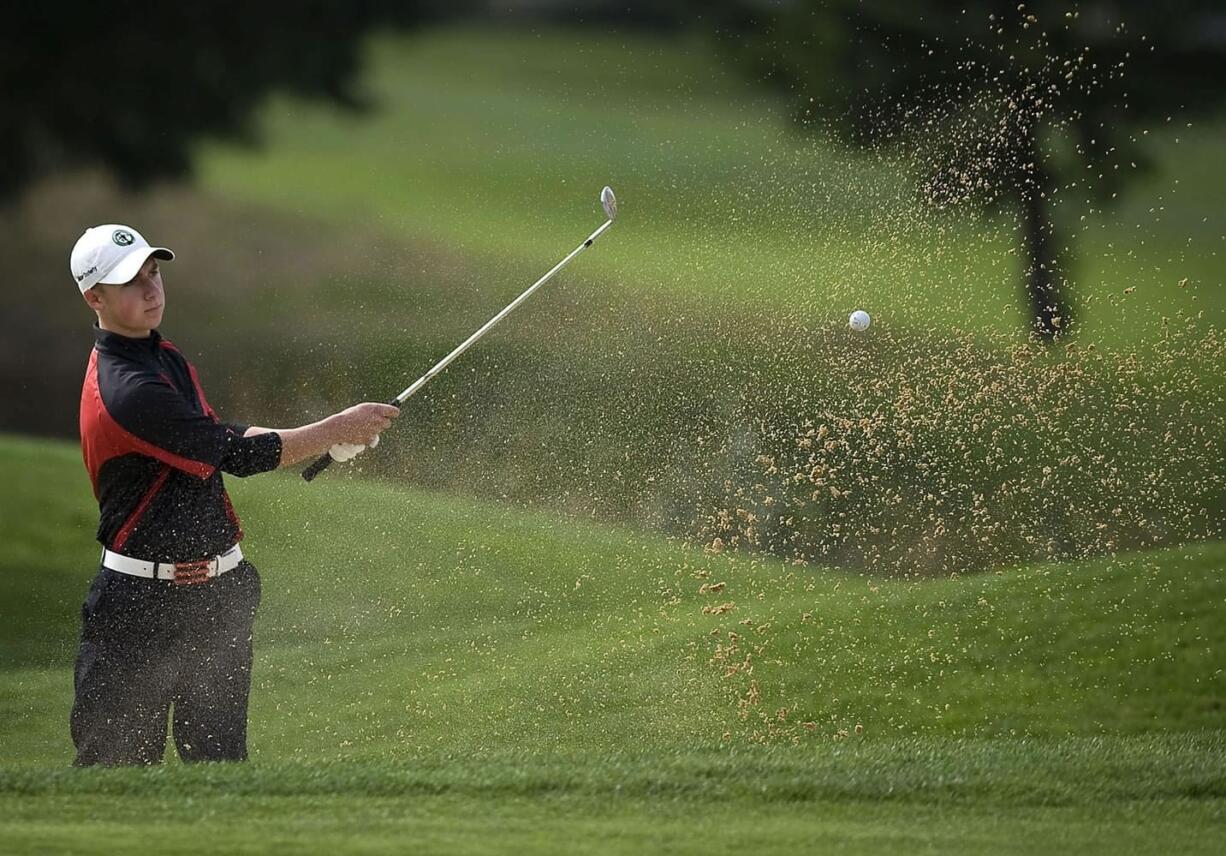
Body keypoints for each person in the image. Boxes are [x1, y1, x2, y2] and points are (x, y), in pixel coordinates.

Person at [69, 223, 398, 766]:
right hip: (139, 609)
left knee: (221, 770)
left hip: (217, 597)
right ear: (94, 297)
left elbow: (225, 435)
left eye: (154, 273)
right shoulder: (126, 389)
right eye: (131, 281)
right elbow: (233, 455)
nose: (152, 289)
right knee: (116, 776)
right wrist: (334, 428)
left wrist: (322, 434)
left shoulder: (161, 355)